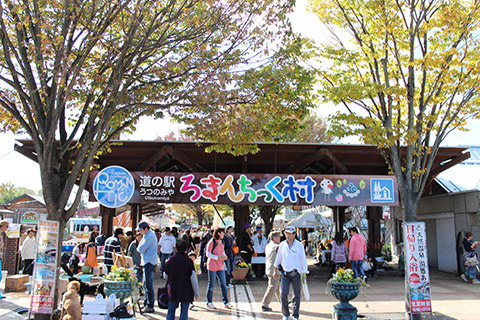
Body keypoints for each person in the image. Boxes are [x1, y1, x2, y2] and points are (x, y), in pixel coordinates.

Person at [274, 226, 308, 320]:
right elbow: (278, 258)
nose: (287, 235)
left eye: (289, 233)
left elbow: (303, 259)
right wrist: (275, 270)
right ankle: (286, 314)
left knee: (296, 295)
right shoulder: (282, 245)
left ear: (294, 234)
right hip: (285, 273)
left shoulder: (299, 245)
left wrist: (304, 272)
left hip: (296, 272)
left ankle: (295, 315)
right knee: (283, 293)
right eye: (286, 233)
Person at [164, 240, 200, 320]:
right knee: (184, 313)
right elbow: (193, 278)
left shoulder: (171, 260)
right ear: (186, 250)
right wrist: (196, 292)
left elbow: (165, 276)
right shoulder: (189, 261)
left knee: (171, 312)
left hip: (172, 290)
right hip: (186, 291)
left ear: (176, 249)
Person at [205, 227, 232, 309]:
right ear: (218, 233)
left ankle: (226, 301)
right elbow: (208, 254)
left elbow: (222, 252)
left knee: (223, 284)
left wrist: (224, 256)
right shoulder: (212, 242)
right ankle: (209, 302)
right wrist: (218, 257)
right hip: (212, 266)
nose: (224, 234)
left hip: (220, 266)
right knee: (211, 284)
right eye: (222, 232)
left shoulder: (221, 242)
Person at [136, 221, 158, 313]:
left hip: (149, 262)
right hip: (148, 262)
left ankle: (150, 305)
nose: (139, 232)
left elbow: (140, 249)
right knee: (145, 284)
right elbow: (141, 248)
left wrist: (140, 246)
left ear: (145, 228)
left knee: (148, 285)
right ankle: (146, 302)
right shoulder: (148, 235)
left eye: (140, 230)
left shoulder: (149, 237)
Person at [261, 230, 281, 312]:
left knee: (276, 287)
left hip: (270, 269)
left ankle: (282, 301)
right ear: (274, 237)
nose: (280, 238)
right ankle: (265, 304)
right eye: (278, 236)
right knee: (272, 287)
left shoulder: (268, 245)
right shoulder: (275, 246)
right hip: (274, 270)